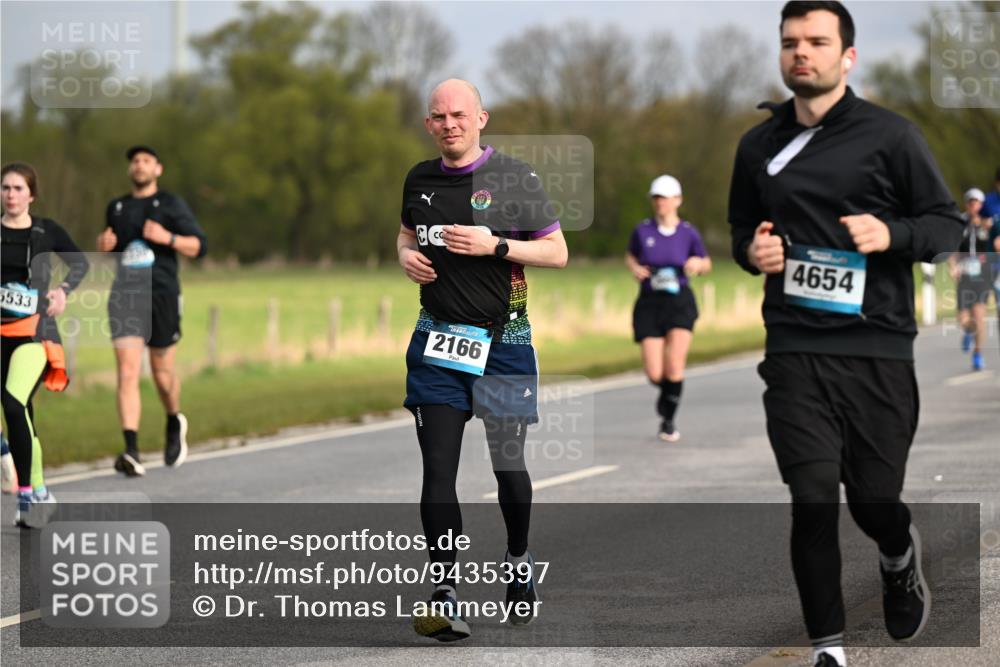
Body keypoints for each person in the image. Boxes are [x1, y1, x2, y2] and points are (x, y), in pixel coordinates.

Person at [727, 3, 964, 666]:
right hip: (794, 346)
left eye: (817, 41)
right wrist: (752, 252)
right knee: (811, 499)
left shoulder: (892, 136)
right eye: (790, 42)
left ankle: (898, 551)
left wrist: (892, 233)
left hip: (876, 347)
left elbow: (946, 226)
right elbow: (742, 229)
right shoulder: (758, 146)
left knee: (873, 501)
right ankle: (827, 650)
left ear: (848, 56)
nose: (801, 52)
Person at [397, 79, 567, 641]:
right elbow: (406, 234)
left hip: (504, 344)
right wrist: (405, 256)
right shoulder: (418, 179)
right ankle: (445, 593)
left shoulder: (515, 178)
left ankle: (518, 560)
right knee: (437, 471)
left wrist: (495, 244)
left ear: (481, 119)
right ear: (429, 123)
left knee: (508, 470)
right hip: (438, 344)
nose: (450, 124)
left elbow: (557, 251)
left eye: (459, 115)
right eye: (439, 116)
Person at [96, 146, 207, 476]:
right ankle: (131, 451)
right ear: (130, 169)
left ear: (158, 169)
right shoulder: (116, 207)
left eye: (146, 161)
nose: (139, 165)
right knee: (128, 372)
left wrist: (168, 237)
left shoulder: (171, 204)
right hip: (125, 296)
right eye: (135, 161)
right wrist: (104, 248)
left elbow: (199, 246)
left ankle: (174, 419)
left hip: (161, 295)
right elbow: (113, 253)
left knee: (162, 374)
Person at [2, 162, 89, 527]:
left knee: (13, 403)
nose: (11, 195)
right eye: (5, 188)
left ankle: (26, 496)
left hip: (34, 333)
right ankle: (39, 490)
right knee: (23, 415)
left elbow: (80, 264)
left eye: (18, 188)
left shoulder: (46, 230)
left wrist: (63, 291)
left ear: (32, 195)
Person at [625, 175, 711, 441]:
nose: (660, 202)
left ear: (677, 200)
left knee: (674, 366)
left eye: (665, 197)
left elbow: (706, 262)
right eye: (656, 197)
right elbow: (631, 256)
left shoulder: (688, 232)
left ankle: (668, 421)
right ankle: (670, 392)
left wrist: (697, 264)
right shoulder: (642, 231)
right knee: (655, 373)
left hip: (679, 302)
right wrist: (635, 268)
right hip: (650, 303)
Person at [951, 188, 993, 370]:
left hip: (983, 275)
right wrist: (953, 266)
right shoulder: (959, 223)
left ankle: (977, 354)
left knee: (979, 316)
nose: (973, 205)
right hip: (965, 275)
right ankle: (968, 331)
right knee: (963, 318)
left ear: (982, 205)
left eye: (976, 202)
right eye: (970, 202)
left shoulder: (989, 223)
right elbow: (952, 248)